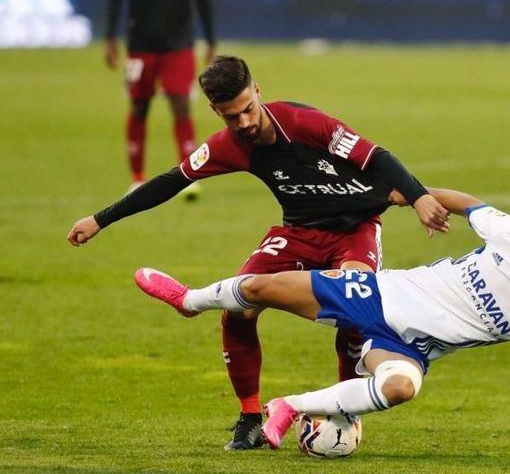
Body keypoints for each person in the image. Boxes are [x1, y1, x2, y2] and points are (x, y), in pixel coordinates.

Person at [67, 56, 450, 450]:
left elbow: (378, 157)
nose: (245, 123)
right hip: (297, 232)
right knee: (238, 310)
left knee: (355, 314)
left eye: (248, 109)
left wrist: (419, 198)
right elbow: (170, 181)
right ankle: (250, 416)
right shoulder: (228, 146)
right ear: (216, 111)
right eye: (232, 117)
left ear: (258, 92)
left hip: (354, 232)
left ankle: (343, 410)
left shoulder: (306, 124)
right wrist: (101, 219)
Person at [134, 187, 510, 461]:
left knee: (402, 388)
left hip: (406, 349)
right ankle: (189, 299)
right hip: (379, 295)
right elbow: (466, 203)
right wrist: (416, 199)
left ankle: (286, 407)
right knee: (262, 289)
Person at [105, 0, 216, 197]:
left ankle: (188, 176)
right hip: (140, 42)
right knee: (139, 107)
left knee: (181, 105)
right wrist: (110, 37)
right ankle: (137, 178)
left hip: (179, 41)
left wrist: (210, 38)